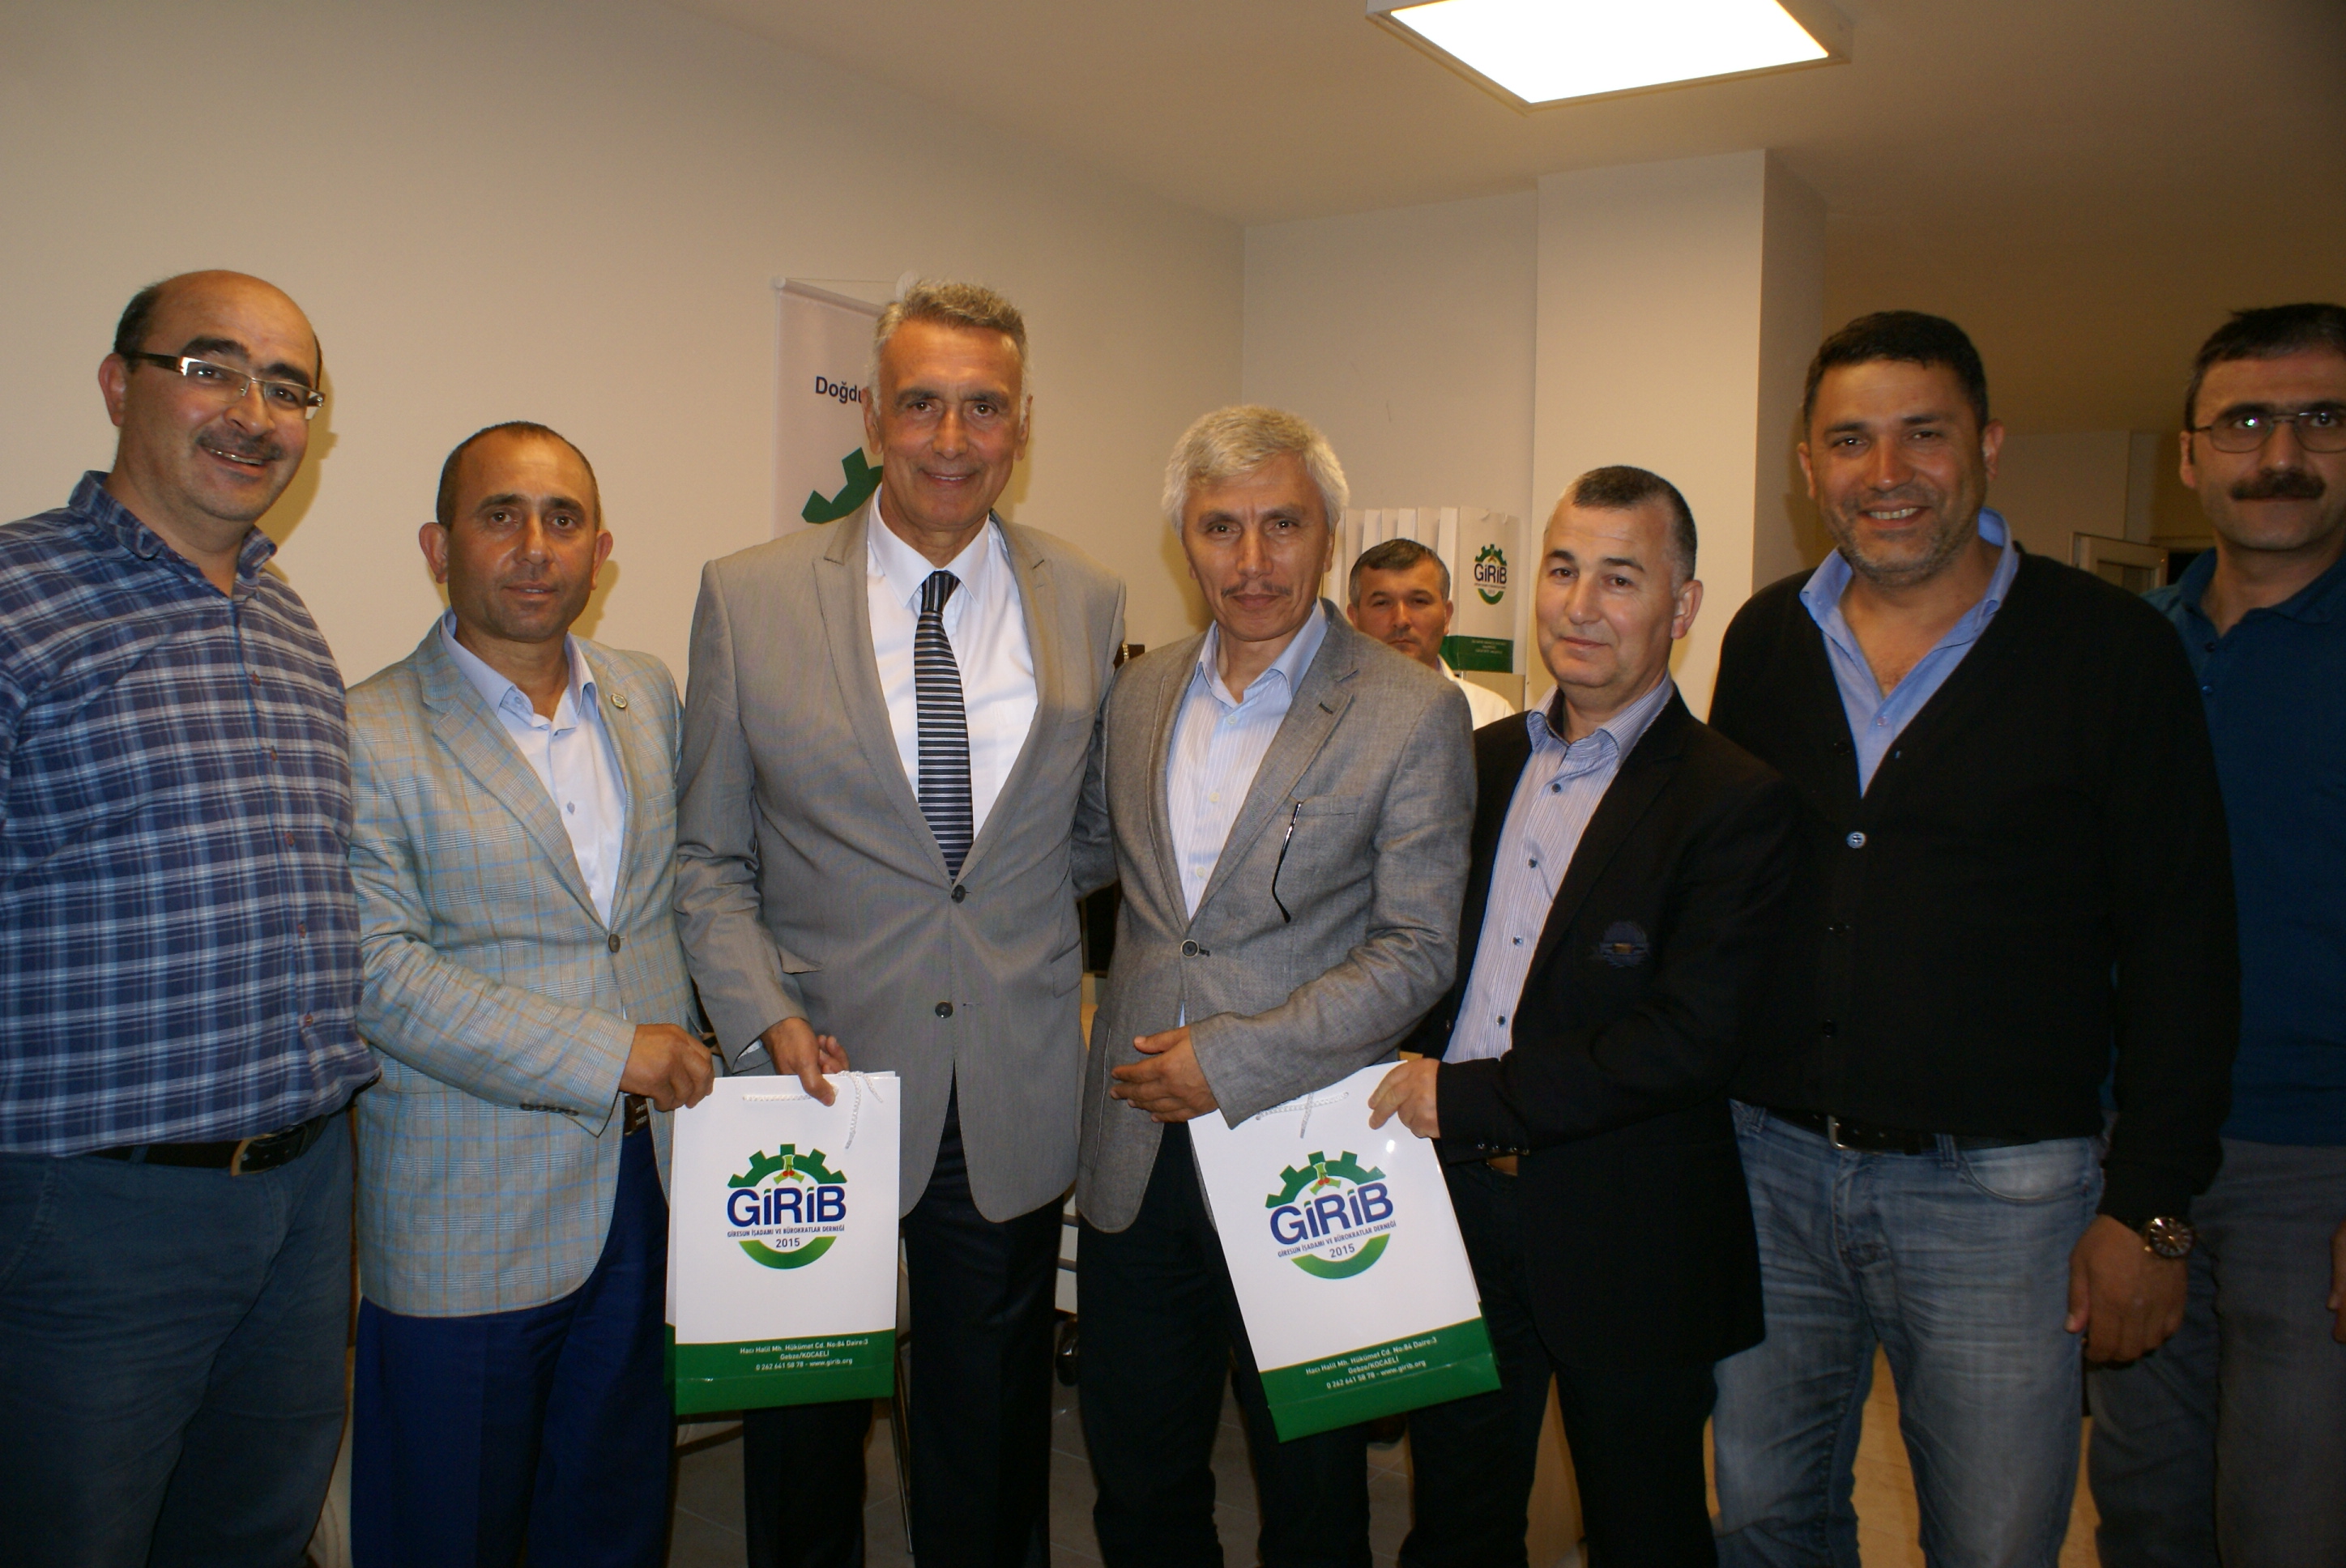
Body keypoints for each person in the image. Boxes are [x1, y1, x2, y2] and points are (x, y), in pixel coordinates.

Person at [1704, 310, 2238, 1568]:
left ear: (1987, 444)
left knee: (1993, 1545)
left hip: (2003, 1200)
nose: (1886, 473)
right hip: (1771, 1173)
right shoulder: (1767, 638)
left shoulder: (2113, 649)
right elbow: (1729, 896)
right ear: (1808, 464)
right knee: (1766, 1523)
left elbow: (2183, 940)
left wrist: (2150, 1206)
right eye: (1851, 441)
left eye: (1924, 434)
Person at [674, 279, 1126, 1568]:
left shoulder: (1086, 597)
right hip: (813, 1082)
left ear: (1021, 425)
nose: (950, 437)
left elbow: (1089, 829)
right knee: (804, 1442)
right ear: (873, 416)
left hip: (1006, 1083)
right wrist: (766, 1015)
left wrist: (1008, 938)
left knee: (990, 1442)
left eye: (983, 407)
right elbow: (707, 858)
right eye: (921, 403)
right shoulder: (750, 595)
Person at [0, 271, 376, 1566]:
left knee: (253, 1532)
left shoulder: (283, 618)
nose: (254, 413)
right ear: (121, 385)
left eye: (288, 388)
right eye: (212, 369)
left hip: (303, 1195)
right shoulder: (17, 599)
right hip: (93, 1212)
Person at [1367, 466, 1798, 1568]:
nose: (1580, 605)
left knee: (1643, 1527)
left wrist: (1464, 1096)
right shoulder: (1478, 761)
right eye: (1562, 570)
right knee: (1455, 1520)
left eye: (1620, 578)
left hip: (1627, 1225)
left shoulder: (1735, 798)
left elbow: (1690, 1038)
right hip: (1457, 1207)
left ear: (1682, 606)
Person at [1074, 404, 1474, 1568]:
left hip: (1308, 1153)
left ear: (1329, 534)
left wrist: (1232, 1057)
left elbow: (1417, 949)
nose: (1251, 561)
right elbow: (1086, 865)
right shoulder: (1138, 695)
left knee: (1313, 1493)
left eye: (1281, 526)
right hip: (1136, 1147)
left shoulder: (1412, 710)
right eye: (1220, 528)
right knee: (1139, 1475)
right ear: (1183, 542)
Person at [342, 422, 712, 1566]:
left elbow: (682, 904)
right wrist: (611, 1052)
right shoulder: (364, 729)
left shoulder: (647, 695)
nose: (534, 546)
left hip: (644, 1195)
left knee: (612, 1517)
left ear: (601, 549)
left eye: (562, 519)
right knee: (447, 1531)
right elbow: (378, 972)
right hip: (466, 1214)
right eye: (499, 515)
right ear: (437, 545)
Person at [2087, 302, 2346, 1568]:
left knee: (2290, 1522)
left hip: (2317, 1167)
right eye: (2244, 421)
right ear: (2191, 455)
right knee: (2145, 1511)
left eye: (2322, 418)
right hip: (2133, 1154)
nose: (2280, 452)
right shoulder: (2127, 647)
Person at [1347, 536, 1518, 726]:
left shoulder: (1492, 715)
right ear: (1354, 619)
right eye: (1382, 603)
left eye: (1419, 601)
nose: (1401, 620)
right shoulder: (1328, 711)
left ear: (1447, 616)